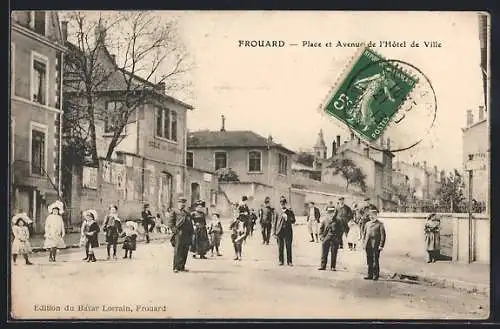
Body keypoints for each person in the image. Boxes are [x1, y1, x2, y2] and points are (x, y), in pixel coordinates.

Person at [167, 196, 194, 273]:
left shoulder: (187, 213)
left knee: (185, 250)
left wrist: (192, 232)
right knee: (178, 250)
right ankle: (175, 267)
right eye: (180, 202)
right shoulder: (174, 212)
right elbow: (170, 223)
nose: (182, 204)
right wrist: (175, 231)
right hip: (179, 233)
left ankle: (182, 266)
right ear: (178, 203)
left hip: (187, 234)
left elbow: (190, 223)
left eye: (183, 203)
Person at [361, 204, 386, 281]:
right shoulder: (367, 224)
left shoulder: (380, 224)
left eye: (373, 215)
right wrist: (363, 243)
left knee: (375, 260)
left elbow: (383, 236)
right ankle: (370, 274)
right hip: (368, 245)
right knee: (369, 260)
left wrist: (381, 245)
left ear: (376, 215)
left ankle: (376, 275)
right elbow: (364, 234)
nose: (371, 217)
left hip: (375, 245)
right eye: (370, 215)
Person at [318, 205, 343, 271]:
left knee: (334, 253)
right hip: (326, 238)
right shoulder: (325, 220)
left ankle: (333, 266)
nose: (331, 214)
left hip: (335, 239)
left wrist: (339, 239)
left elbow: (341, 230)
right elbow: (321, 229)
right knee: (324, 253)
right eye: (329, 212)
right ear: (327, 213)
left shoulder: (338, 221)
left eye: (332, 212)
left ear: (334, 213)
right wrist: (321, 237)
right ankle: (323, 266)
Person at [273, 196, 296, 266]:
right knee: (280, 247)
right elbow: (274, 222)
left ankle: (289, 261)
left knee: (288, 246)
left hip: (288, 231)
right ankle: (281, 261)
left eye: (284, 203)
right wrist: (274, 233)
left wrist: (287, 218)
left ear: (286, 204)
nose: (282, 204)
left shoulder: (290, 211)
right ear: (280, 204)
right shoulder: (277, 211)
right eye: (281, 203)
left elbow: (293, 221)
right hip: (279, 231)